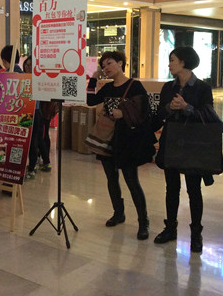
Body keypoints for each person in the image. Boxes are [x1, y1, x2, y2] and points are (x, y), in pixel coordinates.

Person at [87, 51, 155, 240]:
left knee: (132, 181)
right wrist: (93, 80)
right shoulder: (108, 88)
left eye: (109, 63)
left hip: (127, 140)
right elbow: (90, 101)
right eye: (103, 66)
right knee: (111, 178)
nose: (106, 68)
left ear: (120, 63)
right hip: (108, 138)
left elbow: (145, 113)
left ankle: (143, 221)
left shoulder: (135, 86)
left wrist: (123, 114)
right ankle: (118, 213)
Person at [152, 46, 213, 253]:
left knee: (194, 189)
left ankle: (196, 233)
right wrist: (170, 107)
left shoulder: (203, 88)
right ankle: (170, 228)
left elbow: (208, 116)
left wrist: (187, 107)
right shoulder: (168, 87)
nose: (169, 64)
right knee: (171, 188)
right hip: (171, 142)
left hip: (193, 144)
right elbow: (159, 114)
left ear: (184, 62)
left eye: (172, 60)